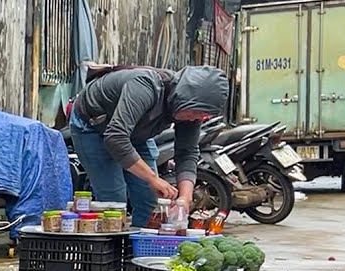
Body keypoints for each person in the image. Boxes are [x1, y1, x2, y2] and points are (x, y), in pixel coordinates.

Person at [67, 65, 230, 228]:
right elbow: (116, 137)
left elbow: (187, 152)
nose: (196, 119)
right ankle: (109, 251)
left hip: (136, 133)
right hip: (92, 126)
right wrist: (153, 179)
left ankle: (137, 251)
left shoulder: (192, 113)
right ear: (185, 97)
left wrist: (185, 198)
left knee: (150, 202)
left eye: (203, 115)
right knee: (114, 200)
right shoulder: (145, 86)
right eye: (195, 112)